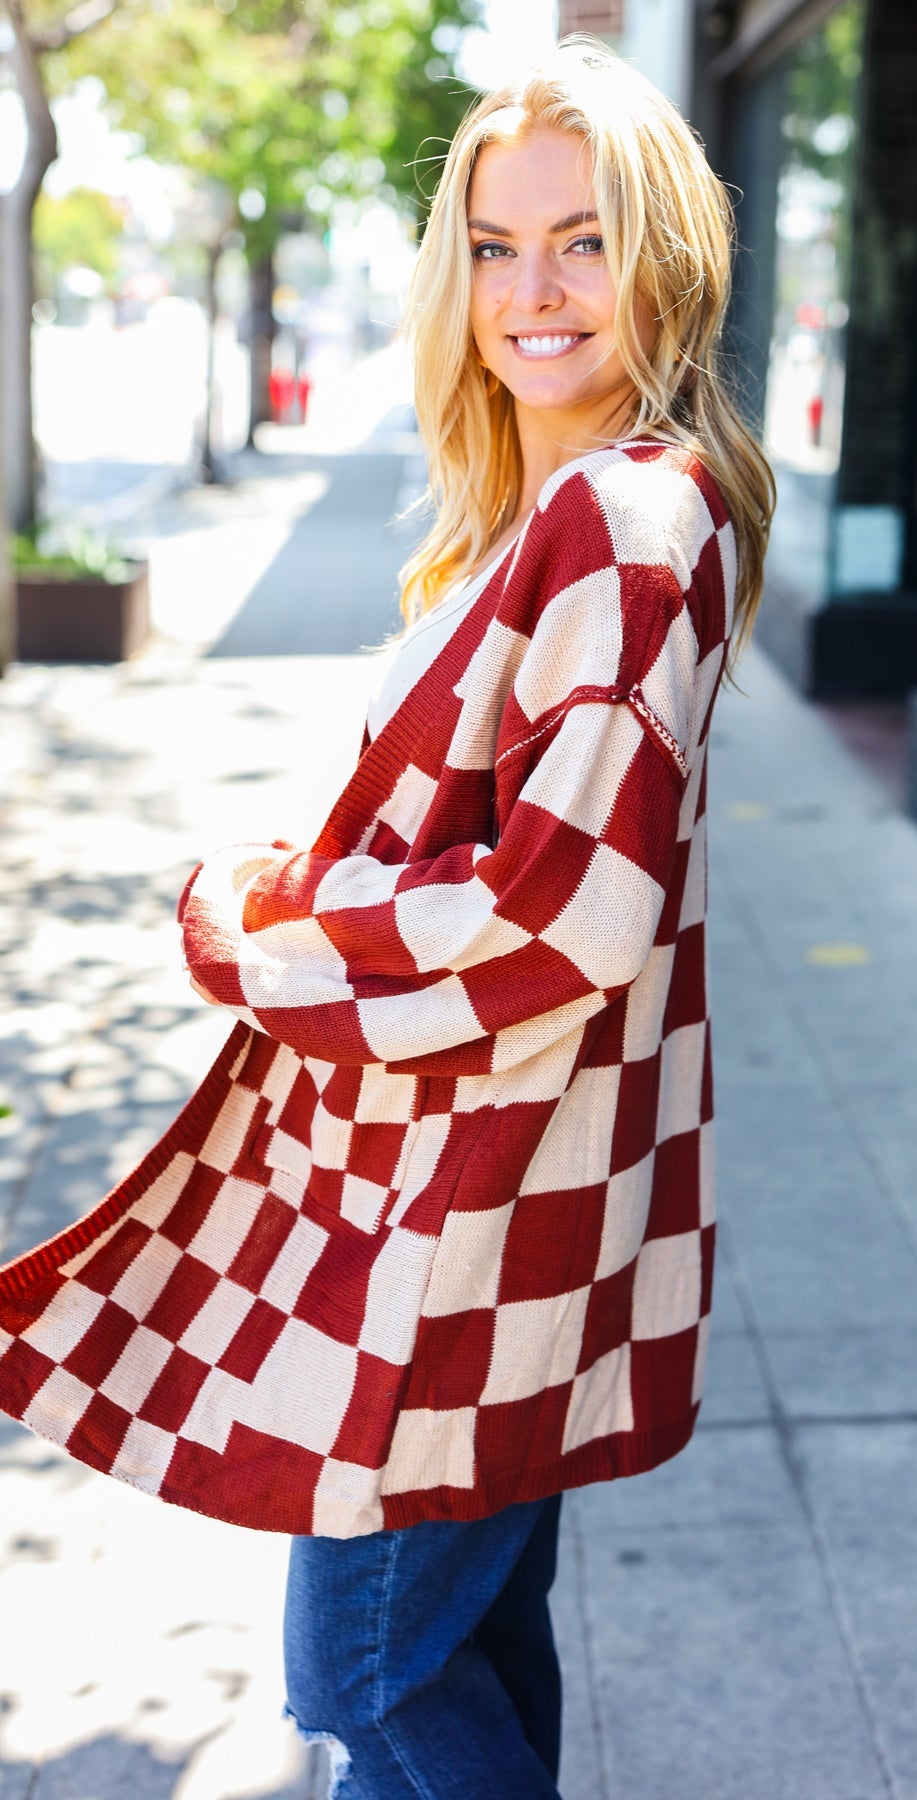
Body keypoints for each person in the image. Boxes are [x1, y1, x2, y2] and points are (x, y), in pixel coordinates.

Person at [0, 37, 772, 1800]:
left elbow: (562, 919)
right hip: (514, 1210)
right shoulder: (561, 511)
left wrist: (256, 922)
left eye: (583, 239)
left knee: (360, 1671)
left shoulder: (627, 517)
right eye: (496, 248)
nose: (536, 291)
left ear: (669, 255)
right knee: (472, 1648)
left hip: (472, 1217)